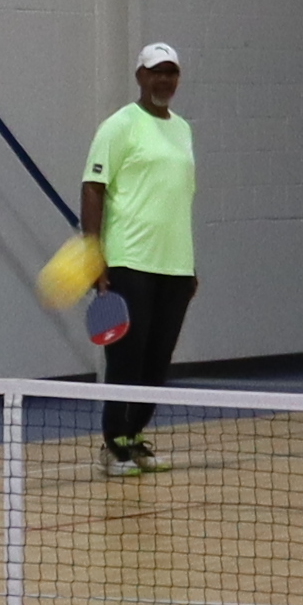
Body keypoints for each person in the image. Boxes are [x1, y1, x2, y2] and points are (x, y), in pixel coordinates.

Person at [82, 41, 199, 472]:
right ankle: (113, 444)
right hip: (130, 261)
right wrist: (94, 256)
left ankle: (135, 437)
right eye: (156, 71)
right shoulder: (119, 126)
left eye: (171, 72)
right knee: (127, 358)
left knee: (158, 360)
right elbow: (93, 189)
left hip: (175, 266)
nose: (164, 79)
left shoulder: (183, 130)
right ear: (140, 76)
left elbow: (177, 200)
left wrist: (190, 265)